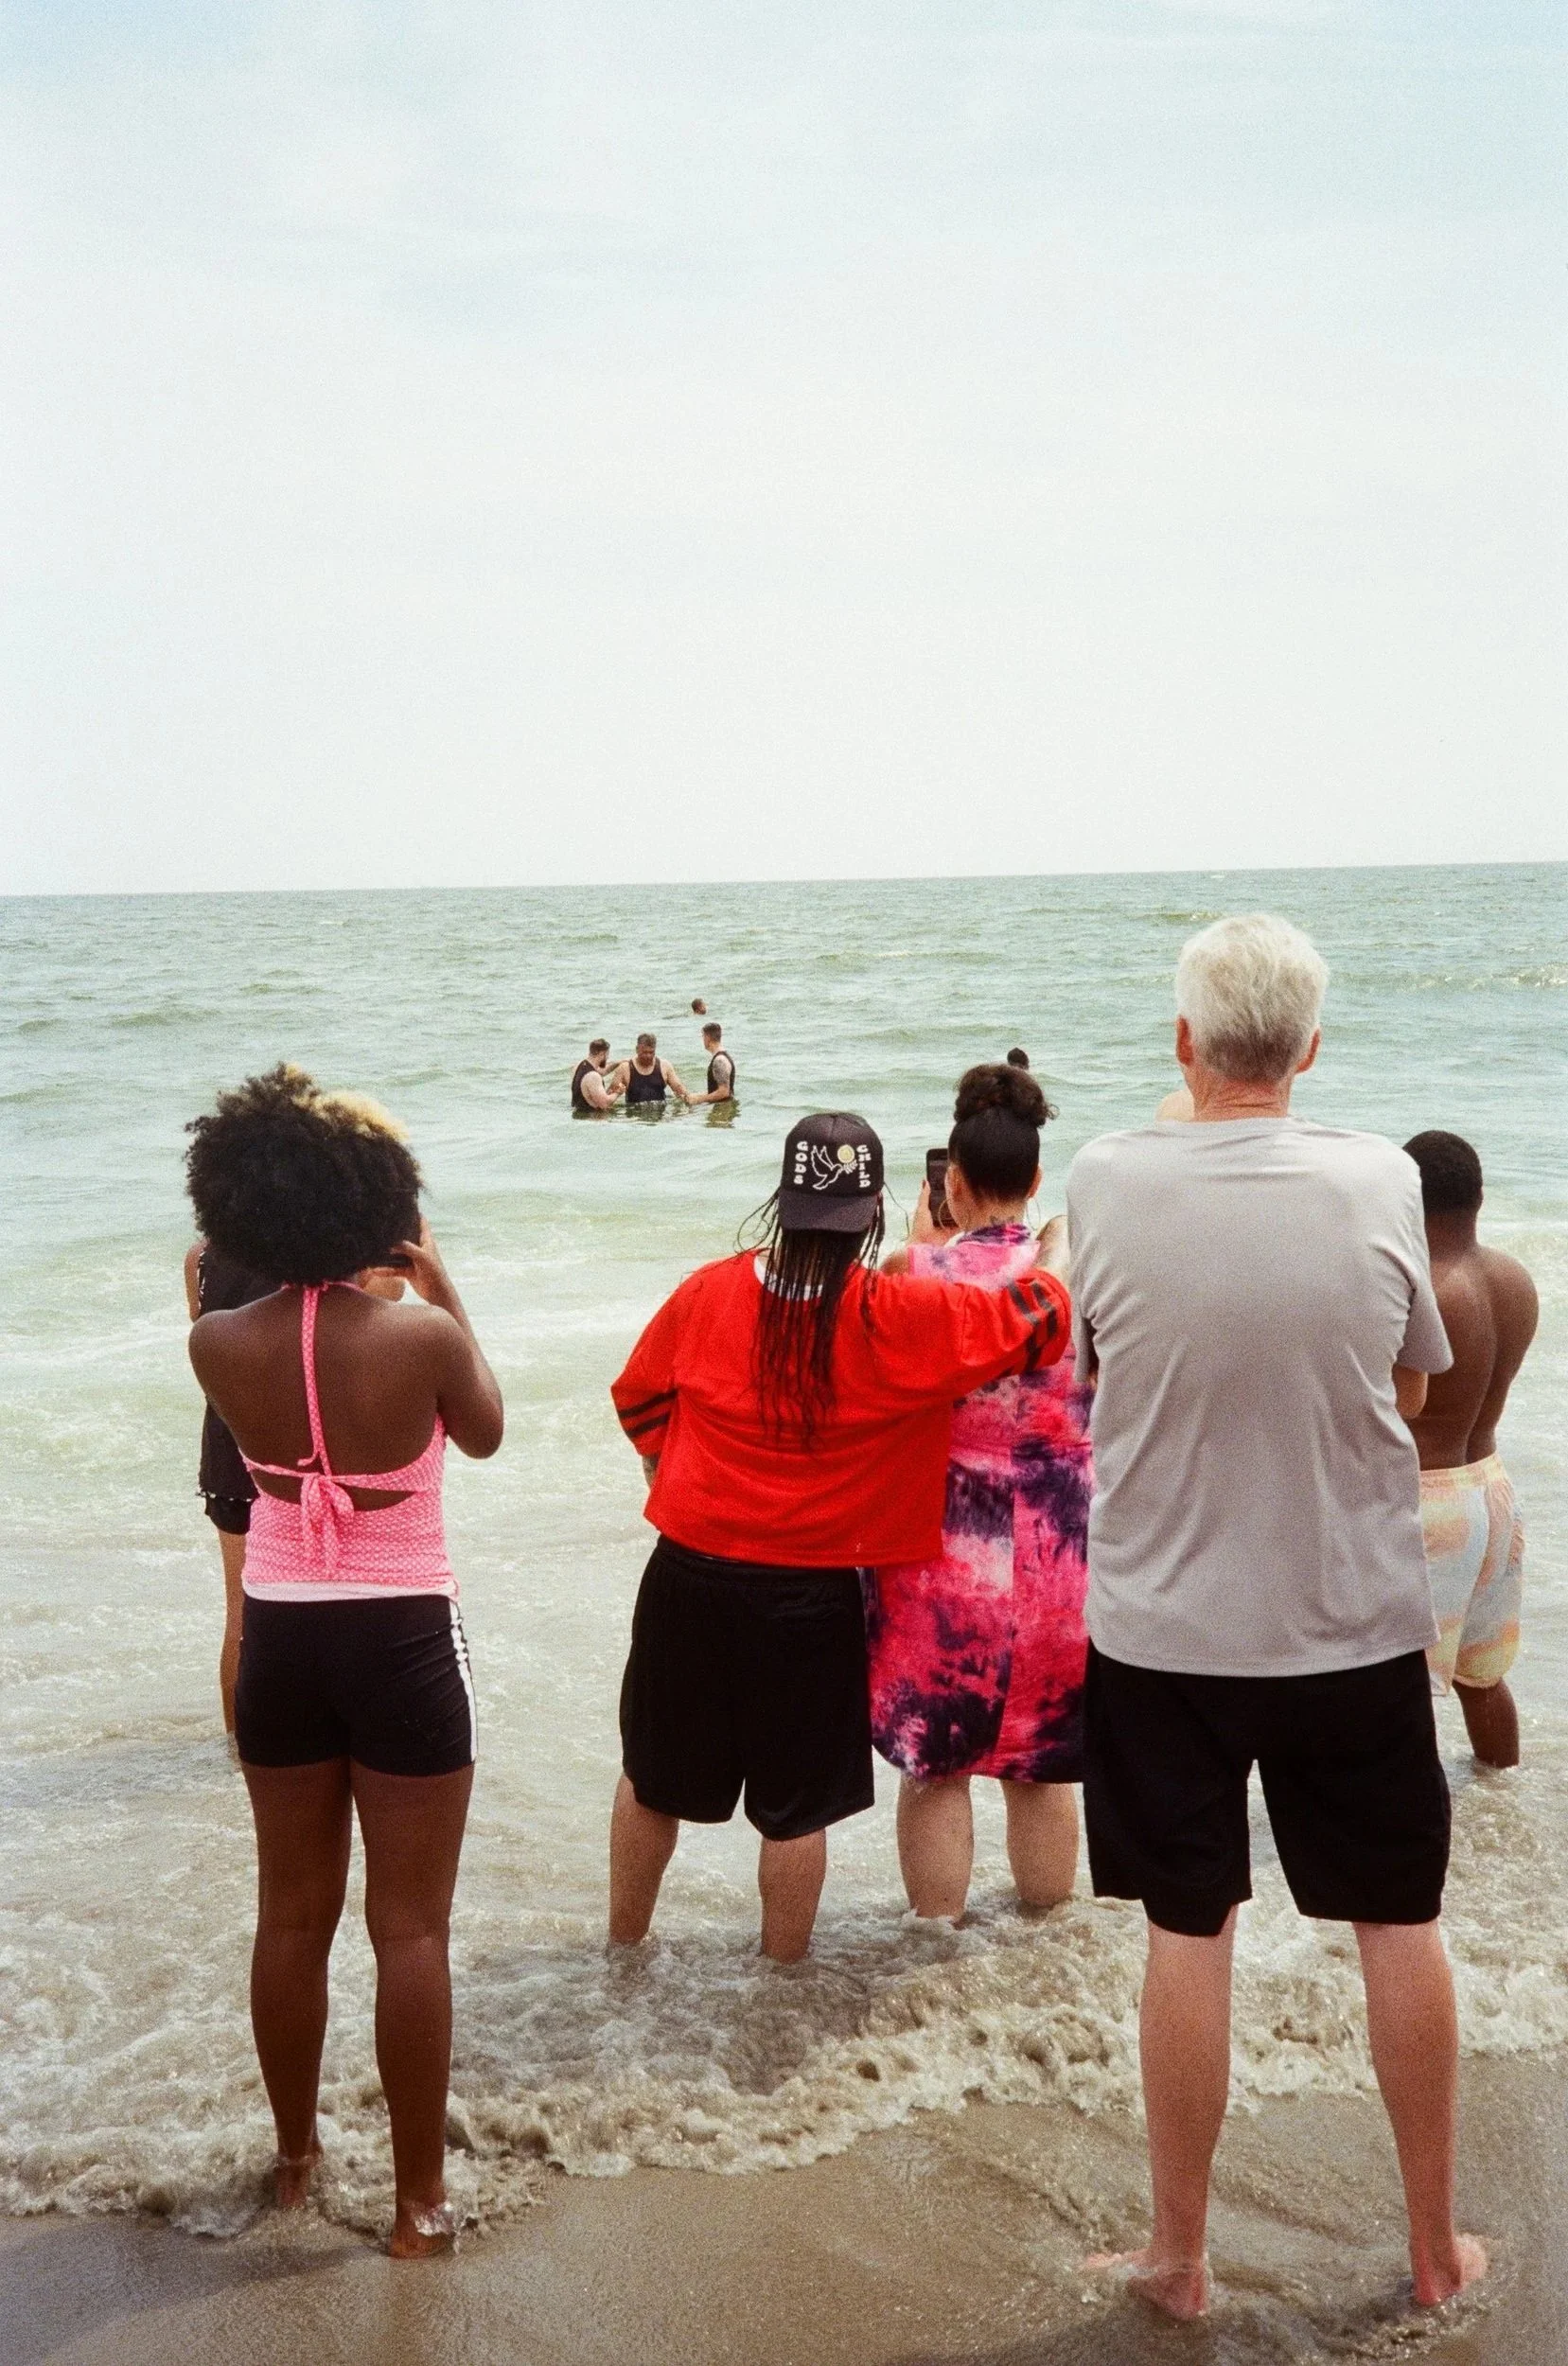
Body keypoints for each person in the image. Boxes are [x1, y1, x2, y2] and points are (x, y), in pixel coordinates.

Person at [1066, 914, 1484, 2322]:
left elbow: (1087, 1373)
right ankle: (1433, 2253)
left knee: (1189, 1933)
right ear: (1311, 1048)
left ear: (1184, 1044)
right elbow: (1413, 1389)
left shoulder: (1107, 1177)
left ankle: (1177, 2257)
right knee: (1396, 1920)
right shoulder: (1376, 1176)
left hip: (1161, 1637)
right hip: (1351, 1625)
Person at [606, 1113, 1071, 1963]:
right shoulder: (891, 1314)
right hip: (805, 1596)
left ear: (782, 1204)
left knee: (651, 1783)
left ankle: (621, 1950)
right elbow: (1032, 1322)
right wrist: (1061, 1249)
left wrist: (668, 1471)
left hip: (686, 1575)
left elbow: (637, 1396)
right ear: (872, 1215)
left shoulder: (705, 1290)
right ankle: (783, 1978)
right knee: (794, 1812)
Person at [185, 1067, 504, 2257]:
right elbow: (485, 1430)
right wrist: (436, 1277)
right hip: (404, 1635)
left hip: (282, 1637)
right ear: (376, 1207)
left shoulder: (217, 1341)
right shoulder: (417, 1335)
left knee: (289, 1917)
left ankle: (294, 2161)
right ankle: (418, 2201)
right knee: (410, 1932)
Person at [868, 1066, 1090, 1919]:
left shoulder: (910, 1274)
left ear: (951, 1181)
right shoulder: (1080, 1278)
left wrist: (930, 1243)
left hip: (944, 1560)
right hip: (1060, 1559)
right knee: (1039, 1772)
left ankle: (936, 1958)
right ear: (1034, 1181)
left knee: (937, 1772)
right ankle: (1047, 1946)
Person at [1403, 1130, 1539, 1769]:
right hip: (1490, 1489)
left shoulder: (1418, 1291)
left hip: (1427, 1506)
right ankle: (1500, 1799)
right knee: (1479, 1677)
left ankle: (1406, 1839)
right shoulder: (1512, 1279)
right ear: (1477, 1198)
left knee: (1398, 1697)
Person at [185, 1239, 273, 1736]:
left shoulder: (200, 1257)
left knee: (240, 1615)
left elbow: (208, 1349)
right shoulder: (308, 1250)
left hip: (226, 1442)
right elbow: (386, 1296)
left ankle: (239, 1757)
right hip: (294, 1449)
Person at [613, 1033, 692, 1110]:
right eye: (644, 1052)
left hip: (660, 1115)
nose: (648, 1056)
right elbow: (609, 1096)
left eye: (651, 1052)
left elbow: (680, 1091)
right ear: (637, 1049)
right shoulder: (625, 1068)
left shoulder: (665, 1066)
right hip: (634, 1118)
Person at [688, 1021, 737, 1106]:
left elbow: (724, 1092)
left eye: (703, 1036)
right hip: (725, 1108)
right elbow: (716, 1089)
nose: (703, 1040)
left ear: (707, 1038)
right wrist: (698, 1095)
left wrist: (699, 1099)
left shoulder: (719, 1060)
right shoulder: (723, 1057)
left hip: (722, 1110)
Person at [572, 1039, 624, 1114]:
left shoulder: (579, 1066)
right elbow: (604, 1104)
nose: (608, 1058)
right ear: (602, 1054)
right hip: (591, 1117)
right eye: (607, 1055)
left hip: (578, 1114)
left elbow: (603, 1071)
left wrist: (619, 1063)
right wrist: (618, 1093)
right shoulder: (593, 1076)